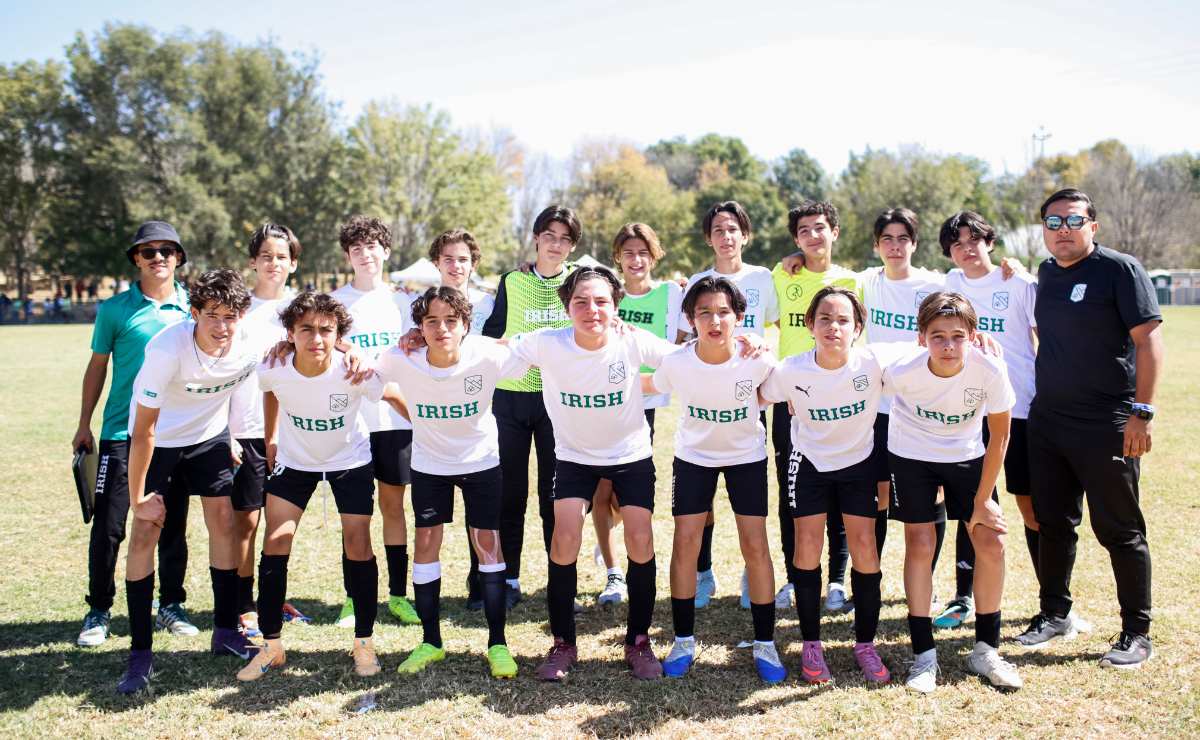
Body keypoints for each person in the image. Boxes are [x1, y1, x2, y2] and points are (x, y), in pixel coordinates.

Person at [508, 266, 680, 682]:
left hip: (629, 455)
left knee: (640, 535)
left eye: (601, 301)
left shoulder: (631, 340)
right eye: (581, 302)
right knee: (565, 534)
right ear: (566, 306)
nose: (591, 310)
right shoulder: (547, 343)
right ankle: (563, 643)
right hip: (573, 456)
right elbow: (492, 351)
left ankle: (638, 640)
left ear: (615, 305)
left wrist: (740, 345)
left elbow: (685, 359)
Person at [1016, 188, 1163, 669]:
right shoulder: (1045, 273)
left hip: (1108, 422)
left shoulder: (1120, 270)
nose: (1062, 230)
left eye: (1072, 221)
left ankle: (1136, 633)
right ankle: (1054, 613)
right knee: (1053, 523)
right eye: (1052, 222)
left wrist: (1141, 412)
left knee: (1120, 530)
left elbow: (1148, 341)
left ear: (1092, 226)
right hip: (1050, 420)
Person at [237, 292, 404, 681]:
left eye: (326, 330)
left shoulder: (353, 368)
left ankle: (364, 642)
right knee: (276, 539)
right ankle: (272, 646)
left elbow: (393, 394)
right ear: (290, 334)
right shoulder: (274, 365)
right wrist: (271, 437)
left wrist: (427, 430)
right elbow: (270, 392)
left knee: (357, 541)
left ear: (339, 334)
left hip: (350, 460)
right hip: (296, 462)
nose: (316, 338)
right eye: (305, 329)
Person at [117, 269, 261, 694]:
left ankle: (225, 632)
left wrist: (232, 435)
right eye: (212, 315)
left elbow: (249, 382)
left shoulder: (251, 344)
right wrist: (138, 496)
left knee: (224, 523)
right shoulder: (166, 349)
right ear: (193, 313)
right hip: (158, 440)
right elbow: (142, 430)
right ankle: (140, 652)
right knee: (145, 531)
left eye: (231, 316)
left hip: (208, 437)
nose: (222, 326)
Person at [378, 287, 528, 678]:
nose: (441, 328)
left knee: (487, 545)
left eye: (450, 320)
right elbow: (360, 369)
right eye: (431, 321)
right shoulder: (402, 356)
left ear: (465, 325)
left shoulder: (486, 353)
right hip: (429, 465)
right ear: (419, 328)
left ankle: (497, 644)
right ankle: (431, 641)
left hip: (480, 463)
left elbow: (531, 351)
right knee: (426, 542)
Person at [887, 291, 1021, 693]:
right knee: (921, 542)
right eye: (938, 336)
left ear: (973, 336)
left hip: (967, 456)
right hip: (911, 455)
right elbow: (848, 370)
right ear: (921, 337)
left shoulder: (990, 370)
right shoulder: (901, 369)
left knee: (992, 542)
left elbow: (1000, 435)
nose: (948, 345)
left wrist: (982, 502)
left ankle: (986, 650)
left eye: (958, 336)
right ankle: (924, 656)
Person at [760, 286, 894, 685]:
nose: (833, 327)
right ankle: (811, 644)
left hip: (859, 462)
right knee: (807, 546)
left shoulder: (874, 363)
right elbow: (760, 393)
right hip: (810, 464)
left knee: (865, 546)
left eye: (843, 320)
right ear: (809, 325)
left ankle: (865, 644)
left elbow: (926, 356)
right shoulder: (791, 370)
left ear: (857, 328)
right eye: (825, 319)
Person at [653, 276, 785, 683]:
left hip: (746, 457)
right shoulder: (676, 362)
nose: (714, 320)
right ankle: (683, 641)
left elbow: (776, 390)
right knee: (686, 542)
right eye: (704, 312)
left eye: (724, 312)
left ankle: (765, 643)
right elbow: (650, 386)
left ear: (740, 317)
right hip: (694, 458)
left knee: (755, 544)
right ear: (691, 319)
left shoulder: (758, 359)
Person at [72, 221, 194, 648]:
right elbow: (97, 367)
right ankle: (99, 609)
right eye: (148, 251)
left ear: (178, 257)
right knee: (109, 525)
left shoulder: (194, 308)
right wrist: (85, 423)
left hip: (175, 434)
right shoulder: (115, 310)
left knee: (172, 522)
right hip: (122, 433)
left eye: (166, 250)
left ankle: (171, 604)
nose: (157, 257)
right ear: (136, 260)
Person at [937, 211, 1061, 631]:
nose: (967, 249)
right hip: (970, 414)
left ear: (990, 241)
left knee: (1031, 508)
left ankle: (1054, 602)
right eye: (957, 244)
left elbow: (1050, 341)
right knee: (973, 504)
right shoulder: (949, 286)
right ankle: (962, 597)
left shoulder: (1019, 283)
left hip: (1022, 411)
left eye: (974, 239)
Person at [679, 201, 780, 610]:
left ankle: (749, 572)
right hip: (705, 401)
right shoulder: (698, 282)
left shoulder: (763, 278)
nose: (726, 236)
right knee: (699, 501)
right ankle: (702, 572)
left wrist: (761, 344)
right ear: (709, 238)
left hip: (750, 395)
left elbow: (773, 327)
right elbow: (684, 340)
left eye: (733, 229)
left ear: (745, 235)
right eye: (718, 230)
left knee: (748, 498)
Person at [481, 205, 579, 609]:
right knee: (510, 494)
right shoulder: (512, 280)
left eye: (565, 239)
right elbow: (491, 333)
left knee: (555, 496)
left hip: (558, 400)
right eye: (549, 236)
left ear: (572, 246)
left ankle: (561, 585)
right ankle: (509, 580)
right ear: (536, 238)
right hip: (511, 398)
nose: (556, 245)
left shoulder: (579, 282)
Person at [771, 201, 861, 614]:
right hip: (792, 402)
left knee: (842, 493)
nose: (813, 236)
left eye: (820, 227)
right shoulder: (780, 273)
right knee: (793, 496)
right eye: (804, 230)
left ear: (835, 232)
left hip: (842, 404)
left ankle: (838, 581)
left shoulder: (853, 281)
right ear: (795, 239)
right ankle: (794, 577)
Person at [330, 216, 420, 628]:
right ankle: (354, 597)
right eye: (356, 249)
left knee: (393, 507)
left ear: (386, 251)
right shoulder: (335, 303)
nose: (365, 255)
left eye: (372, 247)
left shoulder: (402, 301)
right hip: (351, 422)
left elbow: (416, 347)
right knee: (355, 514)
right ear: (348, 256)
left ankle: (399, 595)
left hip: (394, 418)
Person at [591, 223, 684, 609]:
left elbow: (678, 345)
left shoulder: (671, 293)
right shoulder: (604, 294)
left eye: (643, 252)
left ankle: (632, 563)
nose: (636, 259)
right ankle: (613, 572)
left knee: (630, 493)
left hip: (643, 405)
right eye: (628, 252)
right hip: (601, 403)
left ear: (654, 255)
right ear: (618, 257)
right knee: (600, 490)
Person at [226, 223, 299, 636]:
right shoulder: (237, 311)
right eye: (266, 256)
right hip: (246, 431)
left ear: (293, 263)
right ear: (253, 261)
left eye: (282, 256)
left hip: (292, 434)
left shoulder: (301, 310)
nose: (274, 263)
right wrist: (227, 433)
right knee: (247, 522)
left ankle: (275, 595)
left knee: (281, 520)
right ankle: (244, 602)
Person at [427, 228, 497, 611]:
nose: (456, 266)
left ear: (474, 264)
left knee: (480, 505)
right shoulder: (421, 305)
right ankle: (427, 585)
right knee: (433, 511)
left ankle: (479, 580)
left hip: (478, 411)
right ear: (437, 262)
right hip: (437, 413)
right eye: (449, 259)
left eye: (463, 259)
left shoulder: (489, 304)